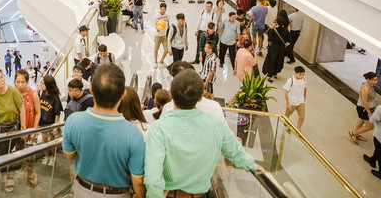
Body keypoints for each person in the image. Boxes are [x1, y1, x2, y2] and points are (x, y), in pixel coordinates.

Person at [144, 69, 262, 197]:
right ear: (200, 97)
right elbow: (236, 153)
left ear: (171, 94)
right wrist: (253, 166)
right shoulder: (217, 124)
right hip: (201, 194)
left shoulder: (159, 128)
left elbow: (152, 179)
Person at [62, 64, 146, 198]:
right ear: (123, 93)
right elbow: (138, 179)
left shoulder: (73, 121)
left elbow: (68, 154)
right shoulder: (133, 133)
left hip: (82, 190)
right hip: (118, 193)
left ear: (91, 91)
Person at [14, 69, 40, 188]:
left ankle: (30, 174)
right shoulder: (13, 93)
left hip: (31, 130)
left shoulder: (33, 94)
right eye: (17, 82)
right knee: (20, 153)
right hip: (17, 131)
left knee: (30, 156)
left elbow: (38, 112)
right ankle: (24, 170)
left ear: (27, 81)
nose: (19, 85)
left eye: (22, 82)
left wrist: (34, 129)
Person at [39, 75, 63, 165]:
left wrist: (55, 127)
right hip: (42, 121)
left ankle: (53, 157)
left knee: (51, 141)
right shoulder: (42, 93)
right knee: (44, 140)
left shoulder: (55, 97)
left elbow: (57, 113)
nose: (41, 84)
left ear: (48, 84)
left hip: (51, 122)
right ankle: (46, 156)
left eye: (43, 83)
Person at [350, 72, 378, 144]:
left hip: (367, 108)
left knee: (362, 120)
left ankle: (357, 134)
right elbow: (364, 101)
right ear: (368, 79)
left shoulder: (370, 85)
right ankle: (354, 133)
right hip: (364, 109)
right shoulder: (365, 88)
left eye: (376, 80)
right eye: (374, 80)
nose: (376, 82)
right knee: (370, 126)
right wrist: (369, 112)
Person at [262, 16, 290, 82]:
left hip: (274, 47)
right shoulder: (286, 31)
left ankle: (270, 75)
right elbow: (289, 40)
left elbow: (269, 39)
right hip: (282, 48)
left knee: (271, 61)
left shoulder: (273, 30)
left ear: (276, 22)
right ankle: (275, 73)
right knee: (279, 60)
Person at [284, 66, 308, 131]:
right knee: (287, 115)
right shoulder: (290, 80)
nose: (302, 76)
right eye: (300, 74)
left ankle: (298, 130)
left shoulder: (304, 79)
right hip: (292, 102)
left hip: (300, 102)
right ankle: (286, 125)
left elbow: (305, 87)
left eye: (303, 74)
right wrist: (288, 103)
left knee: (302, 117)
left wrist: (304, 97)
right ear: (295, 73)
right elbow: (286, 92)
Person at [154, 2, 174, 66]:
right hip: (158, 36)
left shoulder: (167, 15)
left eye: (164, 9)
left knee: (166, 50)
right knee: (156, 49)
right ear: (160, 8)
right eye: (162, 9)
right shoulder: (156, 17)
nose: (163, 10)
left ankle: (161, 60)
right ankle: (155, 61)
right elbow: (156, 26)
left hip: (165, 35)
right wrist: (158, 28)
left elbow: (168, 23)